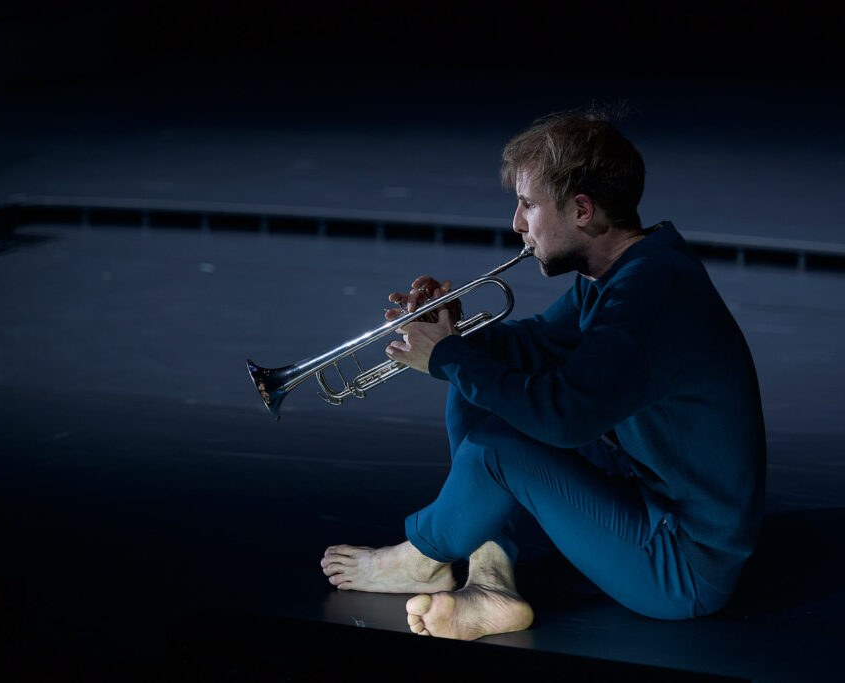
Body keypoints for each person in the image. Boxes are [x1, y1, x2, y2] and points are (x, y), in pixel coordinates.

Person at [321, 109, 766, 641]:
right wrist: (450, 332)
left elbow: (567, 418)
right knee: (478, 393)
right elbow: (531, 347)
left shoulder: (647, 298)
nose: (516, 224)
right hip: (642, 490)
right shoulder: (627, 271)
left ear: (582, 209)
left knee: (494, 448)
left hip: (683, 567)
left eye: (529, 205)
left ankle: (421, 557)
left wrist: (449, 358)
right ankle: (491, 582)